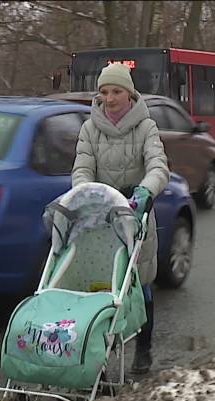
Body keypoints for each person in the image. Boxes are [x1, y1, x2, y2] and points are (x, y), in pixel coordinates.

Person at [71, 63, 169, 374]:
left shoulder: (146, 128)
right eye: (104, 92)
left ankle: (144, 349)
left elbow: (158, 166)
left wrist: (145, 191)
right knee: (101, 285)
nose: (109, 98)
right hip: (101, 218)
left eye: (116, 91)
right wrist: (84, 194)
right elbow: (82, 167)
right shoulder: (90, 129)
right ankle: (98, 353)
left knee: (140, 284)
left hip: (135, 216)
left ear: (129, 94)